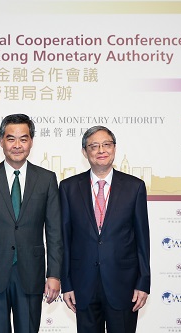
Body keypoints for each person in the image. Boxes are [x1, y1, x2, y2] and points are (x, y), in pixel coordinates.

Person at [0, 113, 63, 333]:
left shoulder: (47, 179)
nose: (17, 145)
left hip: (31, 274)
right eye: (11, 139)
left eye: (23, 139)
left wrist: (54, 274)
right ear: (1, 141)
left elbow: (55, 232)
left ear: (31, 142)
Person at [59, 126, 150, 333]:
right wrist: (67, 283)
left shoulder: (134, 187)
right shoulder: (68, 187)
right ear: (85, 152)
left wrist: (143, 282)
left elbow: (142, 239)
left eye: (106, 144)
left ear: (114, 148)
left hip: (124, 284)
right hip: (83, 285)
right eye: (94, 146)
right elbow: (64, 239)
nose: (101, 150)